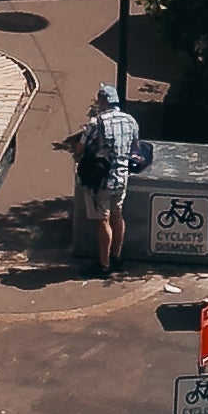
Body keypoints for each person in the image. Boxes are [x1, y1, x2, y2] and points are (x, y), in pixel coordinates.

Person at [71, 85, 144, 277]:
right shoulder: (131, 121)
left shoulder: (97, 123)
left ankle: (104, 264)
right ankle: (117, 257)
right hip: (122, 177)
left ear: (104, 101)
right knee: (117, 215)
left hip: (102, 179)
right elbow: (136, 150)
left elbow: (80, 147)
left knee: (103, 219)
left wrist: (78, 156)